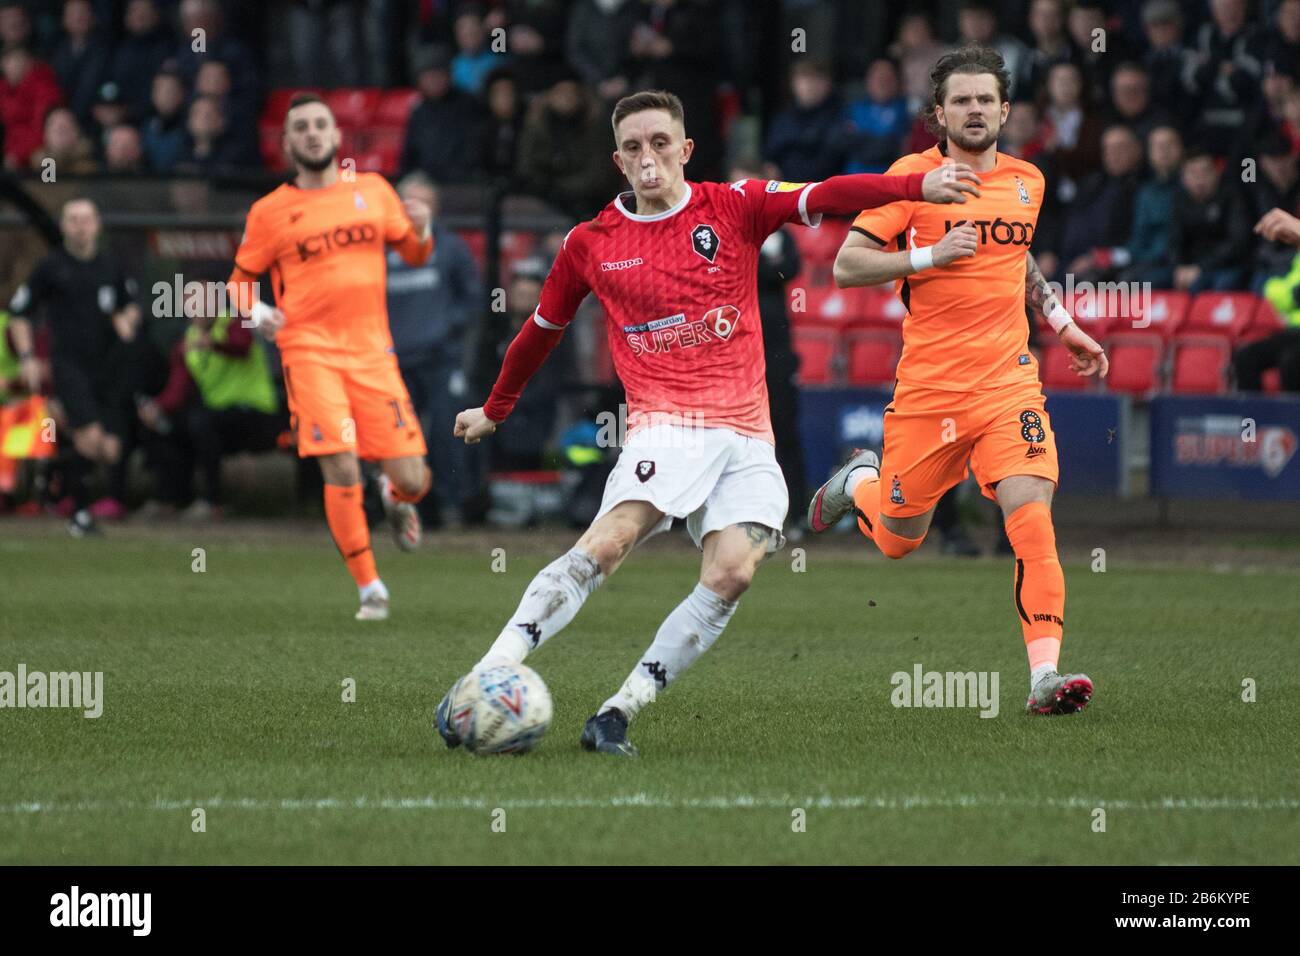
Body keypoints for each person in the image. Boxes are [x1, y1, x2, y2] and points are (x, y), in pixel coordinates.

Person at [435, 89, 981, 757]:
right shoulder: (591, 243)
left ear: (686, 149)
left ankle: (615, 713)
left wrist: (917, 183)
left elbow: (830, 192)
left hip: (749, 436)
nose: (648, 157)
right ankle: (481, 682)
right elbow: (539, 332)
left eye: (660, 143)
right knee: (609, 544)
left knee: (733, 574)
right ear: (617, 158)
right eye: (633, 147)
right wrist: (494, 410)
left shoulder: (735, 206)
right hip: (666, 425)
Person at [810, 46, 1108, 716]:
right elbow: (848, 267)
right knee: (896, 540)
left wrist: (1062, 322)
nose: (975, 110)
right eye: (961, 101)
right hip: (929, 394)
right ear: (937, 114)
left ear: (1006, 110)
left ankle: (1044, 678)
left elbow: (1017, 256)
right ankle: (858, 480)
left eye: (986, 100)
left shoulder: (1027, 180)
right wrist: (927, 255)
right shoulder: (910, 179)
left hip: (1008, 385)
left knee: (1032, 520)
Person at [226, 92, 435, 621]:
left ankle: (393, 496)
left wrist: (424, 229)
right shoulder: (269, 211)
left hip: (373, 354)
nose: (313, 133)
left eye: (321, 124)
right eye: (302, 127)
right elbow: (239, 282)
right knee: (339, 462)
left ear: (337, 137)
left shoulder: (373, 190)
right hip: (309, 351)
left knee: (413, 477)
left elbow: (413, 252)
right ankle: (371, 588)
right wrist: (257, 314)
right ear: (287, 142)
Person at [7, 198, 142, 536]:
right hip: (69, 366)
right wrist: (27, 358)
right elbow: (19, 314)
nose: (80, 226)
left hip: (107, 368)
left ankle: (59, 480)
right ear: (64, 226)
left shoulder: (111, 266)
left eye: (86, 219)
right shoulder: (51, 267)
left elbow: (132, 307)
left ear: (97, 224)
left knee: (109, 450)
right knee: (90, 437)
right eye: (73, 219)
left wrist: (127, 319)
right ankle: (79, 514)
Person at [386, 172, 484, 527]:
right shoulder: (381, 249)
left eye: (425, 204)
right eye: (411, 203)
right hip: (392, 361)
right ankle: (396, 504)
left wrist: (445, 324)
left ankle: (450, 505)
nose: (417, 211)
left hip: (441, 358)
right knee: (394, 438)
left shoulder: (452, 248)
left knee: (448, 430)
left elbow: (473, 299)